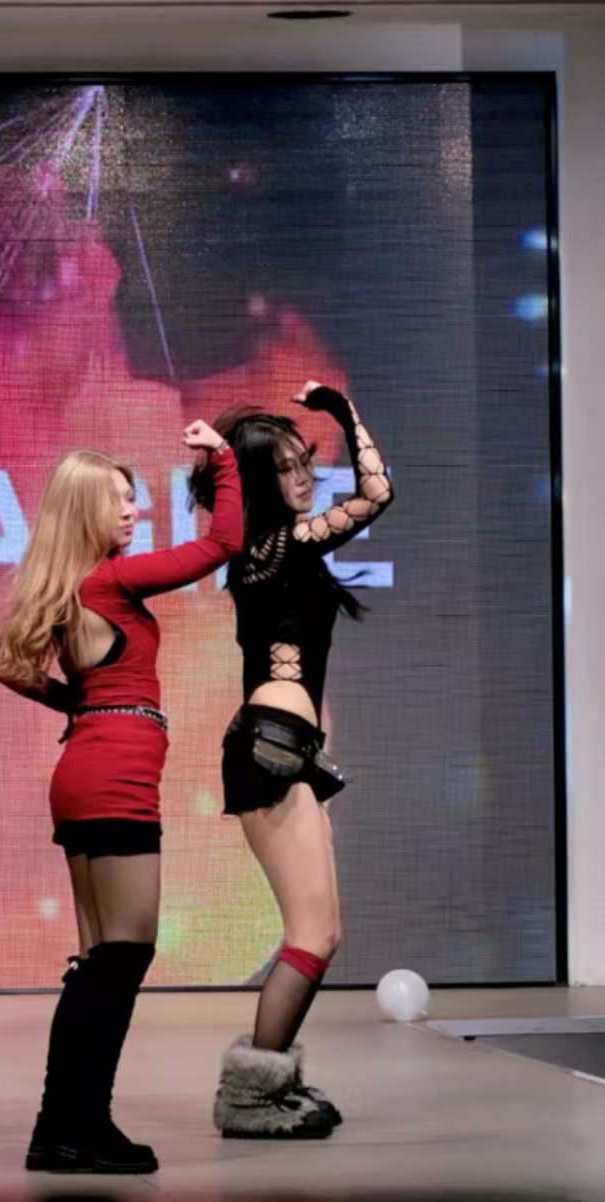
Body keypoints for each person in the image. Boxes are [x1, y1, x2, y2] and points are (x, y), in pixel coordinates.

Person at [0, 419, 240, 1174]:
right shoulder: (109, 583)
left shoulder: (77, 586)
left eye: (135, 498)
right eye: (120, 499)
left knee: (101, 957)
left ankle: (63, 1128)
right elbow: (224, 543)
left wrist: (81, 704)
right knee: (123, 954)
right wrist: (222, 458)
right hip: (113, 778)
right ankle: (78, 1126)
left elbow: (7, 666)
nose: (134, 510)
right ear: (84, 510)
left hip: (86, 771)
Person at [191, 381, 393, 1139]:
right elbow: (377, 495)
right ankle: (250, 1094)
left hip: (289, 750)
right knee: (313, 935)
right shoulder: (265, 550)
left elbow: (367, 495)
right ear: (253, 482)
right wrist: (343, 410)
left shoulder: (286, 548)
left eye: (305, 461)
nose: (304, 476)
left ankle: (270, 1085)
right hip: (269, 749)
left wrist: (339, 416)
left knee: (320, 932)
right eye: (284, 468)